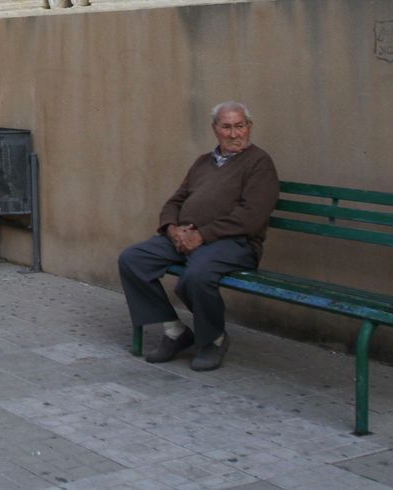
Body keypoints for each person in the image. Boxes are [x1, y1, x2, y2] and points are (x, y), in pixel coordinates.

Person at [117, 101, 278, 372]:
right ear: (215, 129)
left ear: (249, 128)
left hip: (234, 243)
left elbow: (252, 216)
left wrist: (202, 235)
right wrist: (172, 229)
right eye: (226, 127)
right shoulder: (203, 162)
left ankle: (214, 339)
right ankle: (175, 331)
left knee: (195, 277)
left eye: (240, 126)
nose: (234, 134)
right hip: (188, 237)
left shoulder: (259, 163)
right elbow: (175, 201)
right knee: (133, 259)